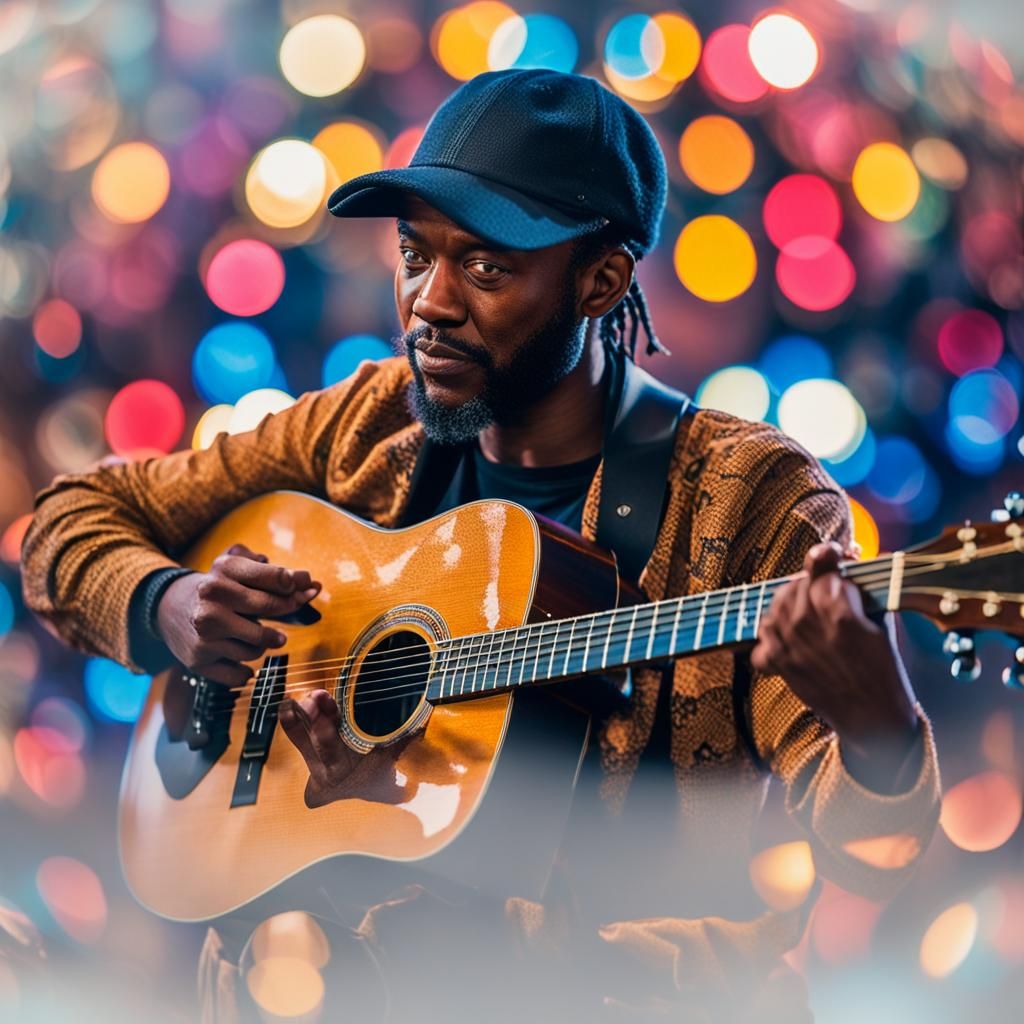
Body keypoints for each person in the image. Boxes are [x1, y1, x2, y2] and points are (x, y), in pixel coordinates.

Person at [22, 69, 939, 1022]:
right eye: (416, 254)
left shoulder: (748, 500)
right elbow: (68, 520)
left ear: (601, 282)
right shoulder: (365, 427)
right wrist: (167, 607)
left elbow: (873, 859)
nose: (430, 303)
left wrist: (881, 736)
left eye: (487, 269)